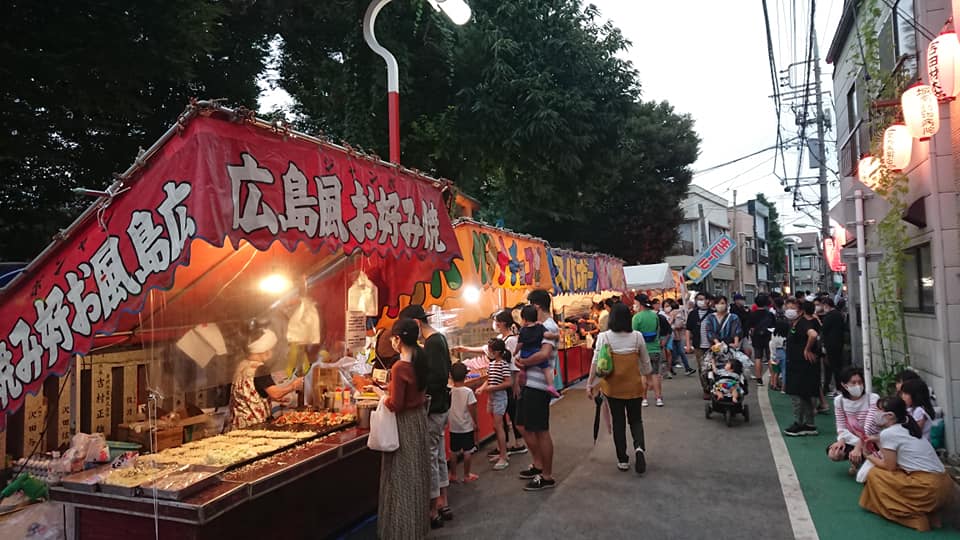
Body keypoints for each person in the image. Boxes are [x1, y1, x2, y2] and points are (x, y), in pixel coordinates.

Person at [859, 397, 954, 531]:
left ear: (890, 415)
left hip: (927, 488)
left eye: (879, 410)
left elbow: (889, 466)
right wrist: (878, 440)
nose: (876, 413)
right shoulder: (909, 427)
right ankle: (932, 514)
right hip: (945, 485)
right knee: (897, 473)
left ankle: (913, 517)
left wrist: (868, 456)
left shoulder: (888, 433)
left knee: (875, 474)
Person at [397, 304, 452, 525]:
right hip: (440, 408)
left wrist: (415, 387)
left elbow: (437, 378)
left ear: (417, 324)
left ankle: (432, 510)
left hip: (435, 408)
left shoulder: (433, 343)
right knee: (437, 455)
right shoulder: (435, 341)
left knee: (430, 457)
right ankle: (442, 502)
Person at [379, 319, 431, 537]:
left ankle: (401, 530)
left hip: (404, 424)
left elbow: (397, 405)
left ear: (398, 339)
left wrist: (383, 398)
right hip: (419, 421)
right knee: (416, 475)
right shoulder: (421, 358)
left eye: (392, 338)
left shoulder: (399, 367)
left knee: (401, 478)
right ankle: (417, 527)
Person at [585, 303, 652, 473]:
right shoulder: (637, 336)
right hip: (634, 386)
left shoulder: (604, 337)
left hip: (613, 387)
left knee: (619, 422)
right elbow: (645, 361)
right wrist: (649, 378)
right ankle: (639, 448)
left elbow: (596, 362)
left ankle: (622, 459)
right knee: (636, 420)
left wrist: (589, 383)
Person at [453, 310, 527, 461]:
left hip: (506, 384)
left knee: (510, 414)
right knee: (500, 420)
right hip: (499, 384)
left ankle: (515, 446)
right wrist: (465, 349)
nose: (494, 324)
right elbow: (485, 349)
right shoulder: (499, 341)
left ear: (503, 323)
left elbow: (512, 364)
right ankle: (503, 447)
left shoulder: (510, 341)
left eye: (496, 321)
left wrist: (512, 383)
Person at [514, 289, 559, 491]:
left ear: (537, 306)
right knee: (522, 424)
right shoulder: (536, 326)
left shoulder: (548, 326)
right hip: (528, 383)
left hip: (539, 384)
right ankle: (538, 464)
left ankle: (547, 475)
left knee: (540, 430)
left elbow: (544, 354)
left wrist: (523, 360)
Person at [230, 328, 304, 430]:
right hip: (254, 426)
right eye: (271, 348)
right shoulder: (260, 369)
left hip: (237, 425)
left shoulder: (241, 365)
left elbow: (250, 391)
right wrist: (293, 386)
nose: (272, 352)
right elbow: (276, 393)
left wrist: (269, 397)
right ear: (264, 350)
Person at [826, 367, 880, 473]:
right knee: (833, 453)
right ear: (844, 385)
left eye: (860, 382)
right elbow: (841, 425)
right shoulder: (839, 401)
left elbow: (869, 428)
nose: (858, 385)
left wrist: (858, 447)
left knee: (863, 453)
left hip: (873, 439)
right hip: (854, 438)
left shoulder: (873, 399)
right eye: (853, 382)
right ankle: (859, 460)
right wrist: (840, 441)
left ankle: (865, 461)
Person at [783, 300, 822, 436]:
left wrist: (807, 349)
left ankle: (799, 423)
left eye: (792, 308)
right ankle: (809, 424)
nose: (789, 310)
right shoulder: (795, 324)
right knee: (805, 394)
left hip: (801, 365)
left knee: (797, 394)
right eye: (787, 307)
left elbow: (813, 335)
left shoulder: (803, 323)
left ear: (800, 311)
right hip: (799, 365)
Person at [476, 338, 513, 471]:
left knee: (499, 426)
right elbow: (488, 379)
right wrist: (482, 387)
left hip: (499, 398)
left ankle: (503, 456)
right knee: (496, 426)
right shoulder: (492, 364)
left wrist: (492, 388)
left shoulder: (503, 364)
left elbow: (509, 382)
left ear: (496, 352)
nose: (488, 352)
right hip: (492, 398)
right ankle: (501, 453)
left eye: (490, 350)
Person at [516, 305, 561, 398]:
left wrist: (517, 354)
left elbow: (520, 344)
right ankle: (551, 386)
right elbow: (547, 335)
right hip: (535, 352)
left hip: (525, 354)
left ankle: (521, 381)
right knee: (546, 369)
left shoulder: (523, 330)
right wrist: (556, 336)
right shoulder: (540, 327)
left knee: (522, 368)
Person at [447, 362, 479, 483]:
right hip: (466, 427)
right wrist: (475, 423)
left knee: (453, 452)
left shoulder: (449, 391)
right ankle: (466, 475)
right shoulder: (468, 392)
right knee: (467, 451)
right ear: (466, 376)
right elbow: (472, 409)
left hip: (453, 427)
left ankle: (453, 474)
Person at [632, 295, 665, 407]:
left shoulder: (636, 318)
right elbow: (658, 330)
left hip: (643, 350)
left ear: (639, 304)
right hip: (655, 348)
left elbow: (634, 335)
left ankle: (644, 399)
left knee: (643, 375)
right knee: (655, 374)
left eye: (635, 302)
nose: (634, 305)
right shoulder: (654, 316)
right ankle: (658, 398)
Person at [685, 292, 715, 398]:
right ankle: (706, 389)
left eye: (703, 299)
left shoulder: (713, 313)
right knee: (702, 368)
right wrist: (688, 345)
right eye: (698, 299)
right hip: (699, 346)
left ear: (708, 300)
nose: (700, 301)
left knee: (713, 367)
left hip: (712, 346)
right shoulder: (693, 314)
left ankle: (714, 387)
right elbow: (688, 329)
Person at [820, 297, 845, 398]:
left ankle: (837, 388)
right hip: (838, 344)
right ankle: (834, 388)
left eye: (823, 306)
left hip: (831, 345)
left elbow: (824, 329)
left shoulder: (830, 316)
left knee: (833, 367)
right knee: (836, 367)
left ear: (826, 305)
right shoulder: (839, 314)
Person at [749, 294, 776, 385]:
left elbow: (750, 326)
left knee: (757, 357)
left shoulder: (752, 314)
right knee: (770, 357)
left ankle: (759, 379)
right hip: (768, 336)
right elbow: (773, 325)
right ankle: (773, 380)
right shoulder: (770, 314)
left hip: (756, 337)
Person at [666, 299, 696, 375]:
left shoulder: (673, 313)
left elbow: (671, 324)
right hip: (676, 335)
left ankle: (683, 368)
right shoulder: (679, 312)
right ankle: (683, 368)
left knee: (675, 352)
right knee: (677, 353)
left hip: (673, 335)